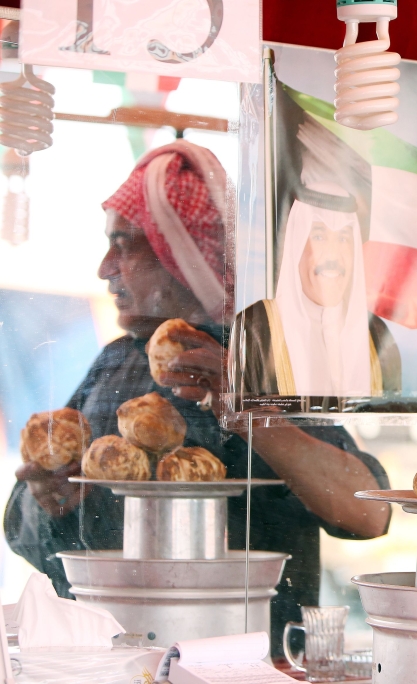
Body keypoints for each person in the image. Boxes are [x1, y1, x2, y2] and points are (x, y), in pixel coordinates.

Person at [4, 140, 391, 650]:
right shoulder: (117, 360)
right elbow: (19, 526)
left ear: (179, 252)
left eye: (123, 244)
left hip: (245, 661)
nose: (104, 268)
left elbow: (366, 512)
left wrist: (248, 412)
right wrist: (47, 502)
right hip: (112, 661)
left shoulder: (262, 358)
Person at [230, 182, 400, 397]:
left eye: (343, 238)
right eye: (319, 237)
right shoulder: (255, 327)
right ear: (297, 245)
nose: (333, 255)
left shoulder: (377, 334)